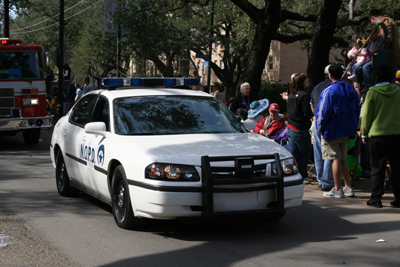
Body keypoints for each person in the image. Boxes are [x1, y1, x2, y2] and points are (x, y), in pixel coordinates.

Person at [316, 64, 360, 198]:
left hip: (332, 130)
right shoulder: (351, 90)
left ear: (330, 75)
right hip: (347, 129)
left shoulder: (329, 91)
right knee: (342, 158)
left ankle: (337, 189)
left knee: (334, 158)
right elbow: (357, 109)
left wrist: (320, 129)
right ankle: (348, 187)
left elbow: (323, 112)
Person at [361, 64, 400, 208]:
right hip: (397, 134)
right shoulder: (398, 91)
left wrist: (364, 133)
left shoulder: (372, 92)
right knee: (397, 167)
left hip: (377, 135)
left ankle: (376, 198)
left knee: (378, 167)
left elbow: (366, 115)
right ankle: (398, 198)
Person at [310, 65, 334, 191]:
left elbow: (312, 104)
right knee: (329, 153)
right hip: (329, 123)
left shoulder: (317, 87)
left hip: (317, 122)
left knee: (319, 152)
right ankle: (327, 181)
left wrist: (315, 115)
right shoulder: (336, 87)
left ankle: (320, 179)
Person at [286, 73, 314, 180]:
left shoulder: (291, 95)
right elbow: (307, 113)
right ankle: (301, 175)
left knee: (293, 154)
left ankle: (291, 174)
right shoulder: (304, 96)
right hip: (300, 129)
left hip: (291, 128)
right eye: (305, 78)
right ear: (302, 81)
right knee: (305, 154)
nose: (308, 80)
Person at [355, 22, 389, 89]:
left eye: (371, 35)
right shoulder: (369, 41)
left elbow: (386, 31)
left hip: (377, 59)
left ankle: (368, 85)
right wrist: (358, 43)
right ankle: (362, 83)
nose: (370, 37)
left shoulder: (381, 38)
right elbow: (362, 47)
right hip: (370, 59)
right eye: (368, 35)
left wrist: (381, 24)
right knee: (357, 67)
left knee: (365, 68)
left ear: (376, 33)